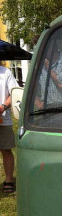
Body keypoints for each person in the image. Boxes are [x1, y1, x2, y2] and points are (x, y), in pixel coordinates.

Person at [0, 65, 19, 193]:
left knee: (6, 150)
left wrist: (3, 106)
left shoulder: (5, 72)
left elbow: (14, 93)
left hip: (3, 119)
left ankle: (9, 180)